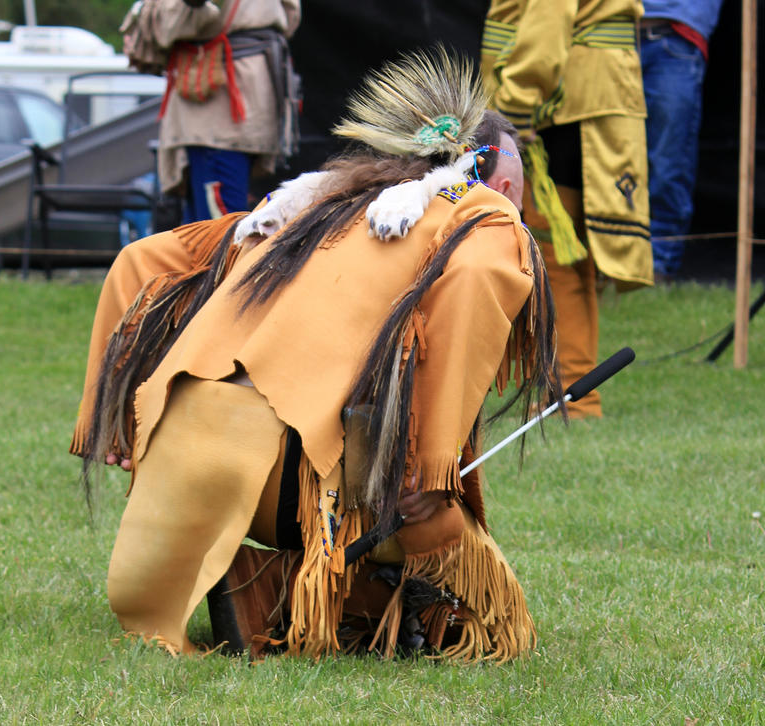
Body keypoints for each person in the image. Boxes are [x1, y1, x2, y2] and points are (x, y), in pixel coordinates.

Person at [76, 49, 562, 661]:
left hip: (175, 463)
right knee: (474, 602)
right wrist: (432, 475)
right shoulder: (481, 215)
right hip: (290, 481)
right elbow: (471, 289)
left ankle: (262, 588)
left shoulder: (302, 206)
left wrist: (116, 416)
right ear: (503, 182)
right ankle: (293, 596)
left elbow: (144, 260)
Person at [481, 0, 653, 418]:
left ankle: (574, 398)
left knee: (555, 255)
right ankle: (573, 393)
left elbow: (548, 18)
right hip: (588, 100)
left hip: (562, 106)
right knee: (569, 257)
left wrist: (513, 108)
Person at [130, 0, 301, 223]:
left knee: (217, 233)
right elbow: (290, 17)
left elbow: (180, 20)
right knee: (207, 233)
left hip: (219, 111)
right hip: (240, 99)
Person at [641, 0, 723, 281]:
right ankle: (611, 264)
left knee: (667, 161)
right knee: (606, 156)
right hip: (606, 37)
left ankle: (659, 266)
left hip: (674, 34)